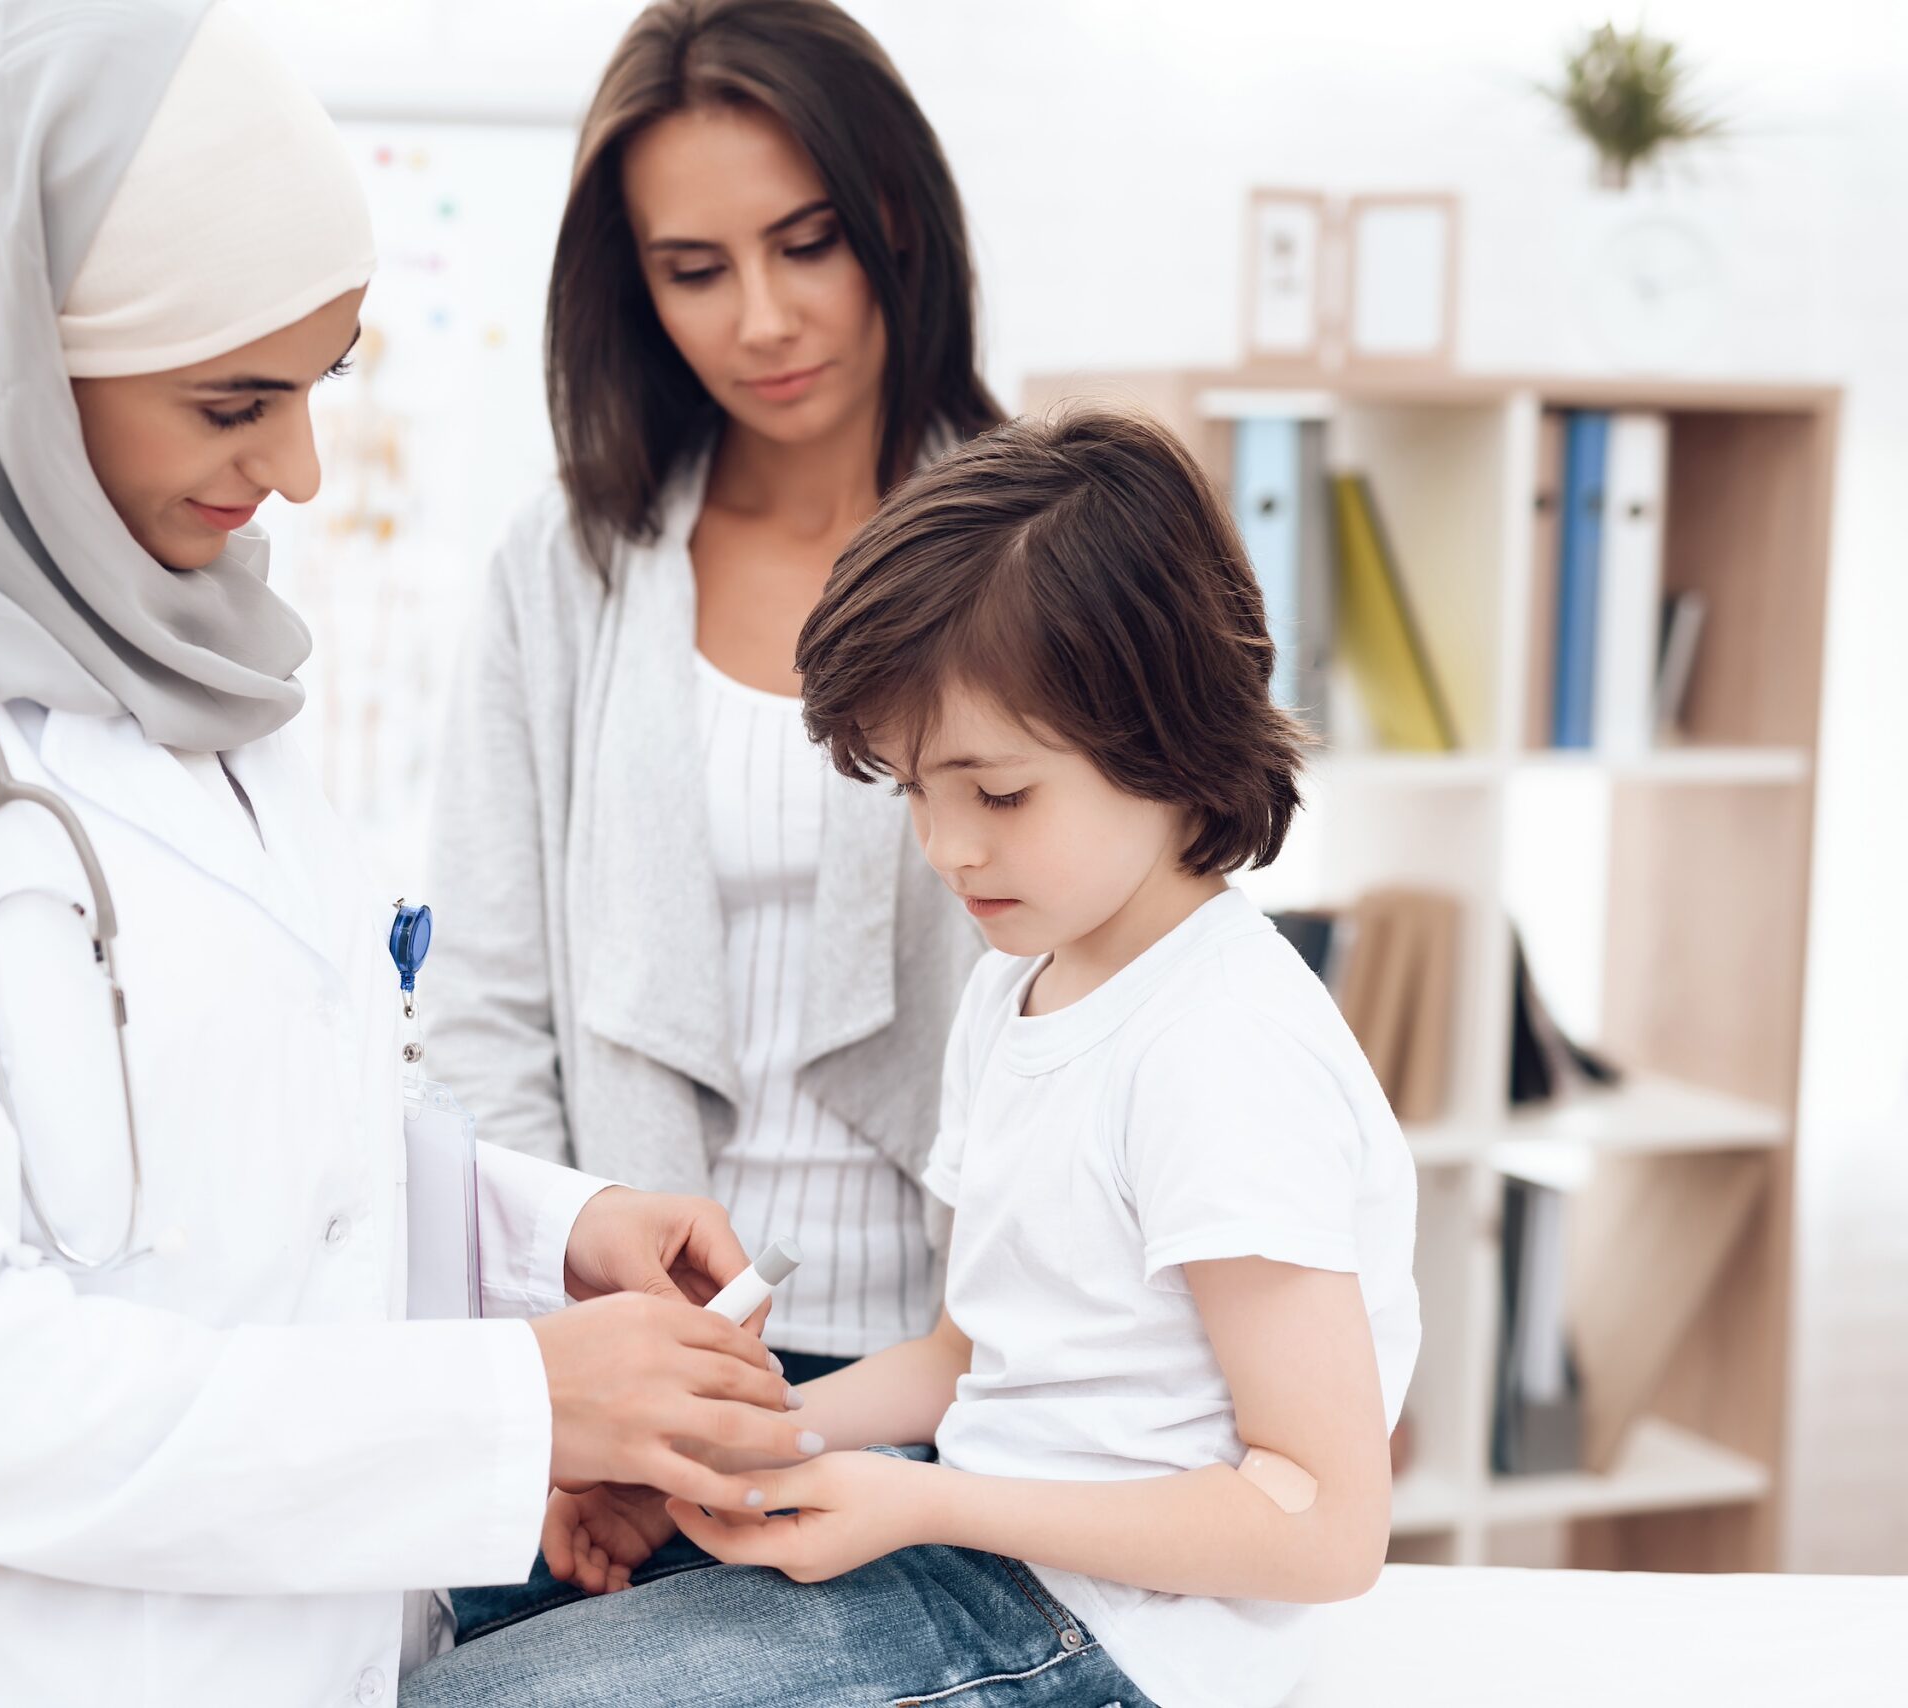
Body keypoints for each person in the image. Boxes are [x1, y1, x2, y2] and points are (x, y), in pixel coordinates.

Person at [0, 4, 808, 1702]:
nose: (296, 471)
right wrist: (521, 1401)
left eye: (320, 385)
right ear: (9, 363)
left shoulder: (180, 665)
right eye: (234, 400)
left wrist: (551, 1233)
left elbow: (259, 1152)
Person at [404, 410, 1422, 1708]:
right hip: (991, 1555)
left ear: (1170, 733)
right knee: (452, 1652)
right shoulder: (1027, 987)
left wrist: (920, 1506)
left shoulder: (1221, 1051)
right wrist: (718, 1455)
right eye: (913, 792)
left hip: (1124, 1640)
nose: (947, 849)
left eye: (997, 796)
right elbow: (967, 1358)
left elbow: (1325, 1526)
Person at [422, 0, 998, 1629]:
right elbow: (485, 1011)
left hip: (943, 1381)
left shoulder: (1040, 546)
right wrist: (563, 1378)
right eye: (694, 268)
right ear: (633, 288)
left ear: (900, 214)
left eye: (807, 242)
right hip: (626, 1386)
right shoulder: (571, 566)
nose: (763, 318)